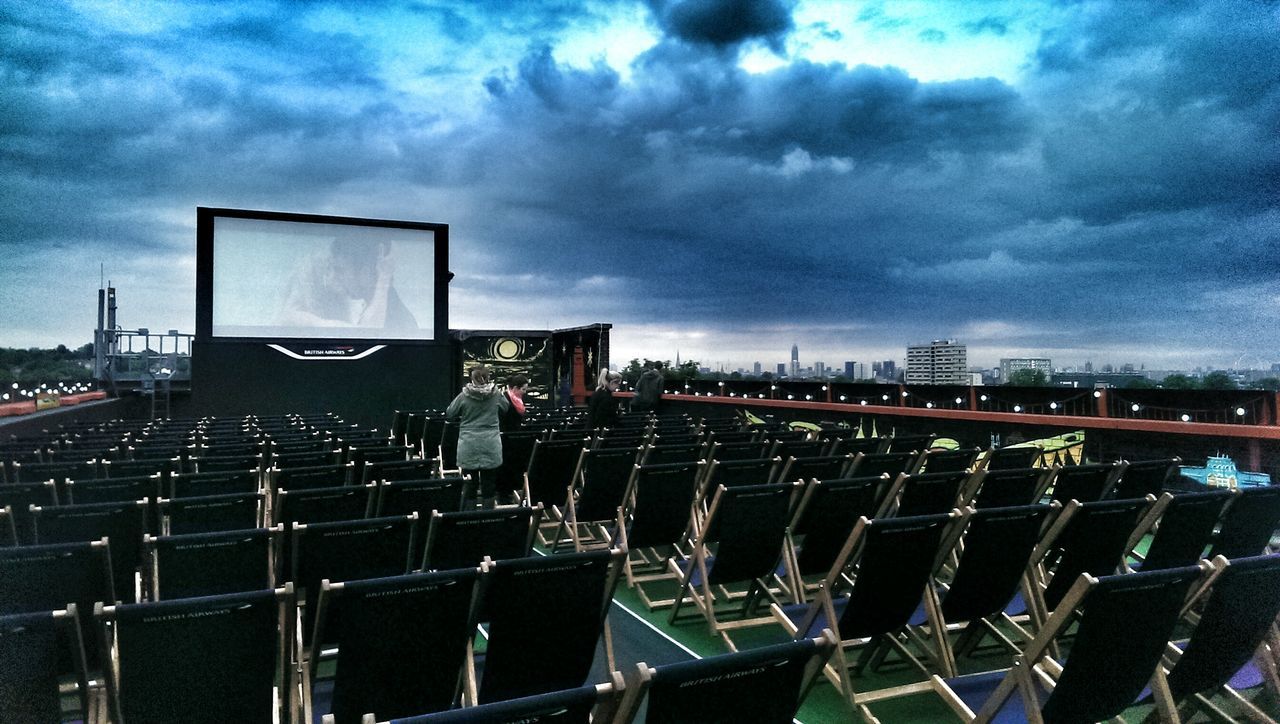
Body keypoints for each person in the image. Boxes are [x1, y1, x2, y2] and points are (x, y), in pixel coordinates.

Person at [277, 238, 418, 330]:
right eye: (329, 270)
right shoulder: (295, 317)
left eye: (339, 270)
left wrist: (384, 278)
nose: (333, 278)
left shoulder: (397, 318)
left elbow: (367, 335)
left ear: (365, 271)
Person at [445, 365, 509, 509]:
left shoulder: (463, 395)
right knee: (489, 483)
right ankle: (487, 518)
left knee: (470, 484)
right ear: (488, 377)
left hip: (469, 444)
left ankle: (470, 518)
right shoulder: (497, 394)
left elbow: (450, 413)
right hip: (491, 443)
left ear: (471, 378)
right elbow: (505, 408)